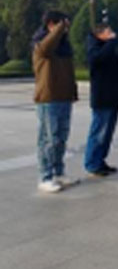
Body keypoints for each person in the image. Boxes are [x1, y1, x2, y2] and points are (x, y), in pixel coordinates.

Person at [31, 10, 79, 193]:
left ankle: (59, 172)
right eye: (62, 25)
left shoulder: (63, 47)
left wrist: (72, 93)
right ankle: (45, 176)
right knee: (48, 140)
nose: (66, 29)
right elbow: (45, 48)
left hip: (64, 97)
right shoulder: (40, 44)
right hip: (48, 98)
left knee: (60, 138)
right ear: (51, 24)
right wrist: (58, 29)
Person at [84, 23, 118, 177]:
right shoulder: (94, 47)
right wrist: (111, 43)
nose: (112, 34)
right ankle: (92, 163)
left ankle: (100, 160)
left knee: (107, 133)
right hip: (103, 97)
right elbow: (97, 59)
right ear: (99, 34)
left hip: (113, 96)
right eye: (108, 32)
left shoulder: (108, 47)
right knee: (99, 131)